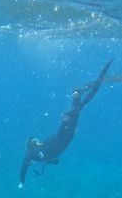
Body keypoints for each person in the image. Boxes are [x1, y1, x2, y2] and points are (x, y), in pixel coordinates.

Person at [18, 59, 113, 188]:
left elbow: (24, 167)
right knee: (78, 109)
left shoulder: (30, 154)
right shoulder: (37, 154)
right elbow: (55, 159)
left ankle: (82, 91)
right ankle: (77, 94)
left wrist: (22, 182)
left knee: (78, 109)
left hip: (64, 135)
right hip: (65, 136)